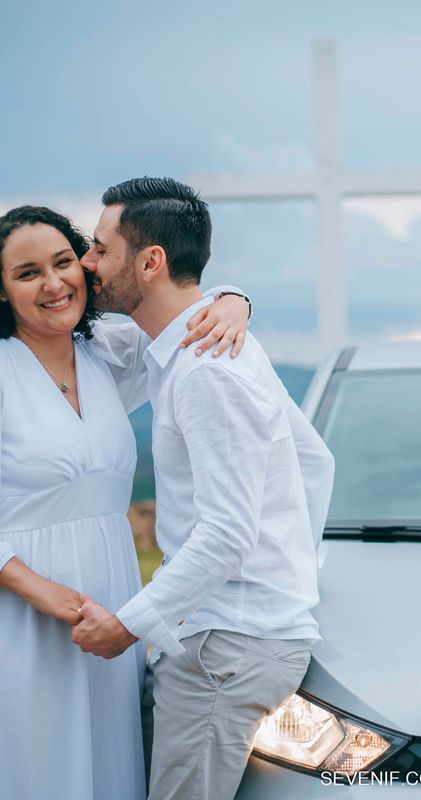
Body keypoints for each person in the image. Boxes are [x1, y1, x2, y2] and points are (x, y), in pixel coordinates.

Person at [72, 176, 335, 800]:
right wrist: (291, 572)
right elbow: (314, 461)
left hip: (227, 645)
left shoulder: (206, 372)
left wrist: (129, 626)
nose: (87, 263)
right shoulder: (207, 340)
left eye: (100, 249)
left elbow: (227, 533)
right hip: (234, 632)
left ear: (150, 261)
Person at [0, 205, 252, 800]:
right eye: (27, 273)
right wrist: (33, 587)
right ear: (3, 291)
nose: (55, 283)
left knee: (109, 767)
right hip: (21, 611)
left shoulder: (109, 352)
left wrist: (236, 299)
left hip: (111, 606)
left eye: (65, 262)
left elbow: (183, 302)